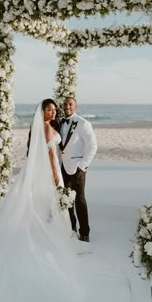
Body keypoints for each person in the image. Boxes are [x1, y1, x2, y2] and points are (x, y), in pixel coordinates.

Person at [0, 99, 131, 302]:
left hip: (67, 169)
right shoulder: (46, 128)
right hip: (55, 172)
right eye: (49, 109)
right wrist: (55, 178)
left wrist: (79, 166)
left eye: (55, 109)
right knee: (51, 205)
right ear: (42, 112)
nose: (53, 112)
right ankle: (51, 235)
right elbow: (52, 154)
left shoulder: (61, 125)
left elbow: (82, 147)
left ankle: (79, 231)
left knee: (71, 201)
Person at [60, 97, 97, 242]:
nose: (67, 106)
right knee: (66, 200)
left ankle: (85, 232)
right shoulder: (61, 123)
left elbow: (93, 146)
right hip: (63, 167)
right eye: (65, 104)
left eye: (70, 104)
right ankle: (72, 227)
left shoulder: (83, 124)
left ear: (75, 107)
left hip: (78, 169)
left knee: (80, 200)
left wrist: (82, 166)